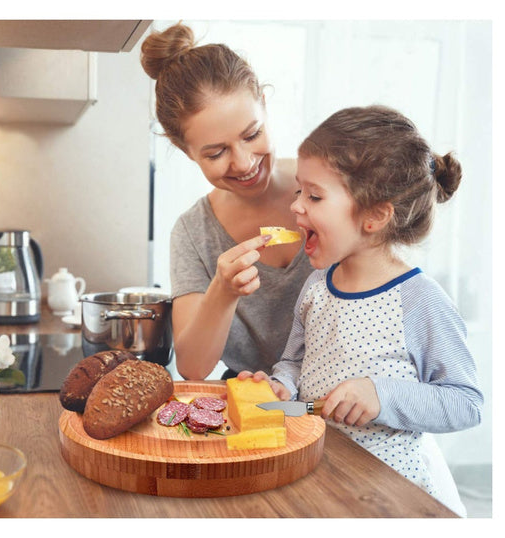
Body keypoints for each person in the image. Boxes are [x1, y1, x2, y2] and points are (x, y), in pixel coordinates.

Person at [240, 105, 483, 516]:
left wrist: (382, 394)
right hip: (326, 479)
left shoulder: (420, 300)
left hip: (392, 498)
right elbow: (296, 361)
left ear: (374, 216)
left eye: (315, 196)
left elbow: (465, 403)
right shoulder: (318, 285)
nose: (297, 206)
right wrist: (281, 386)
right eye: (300, 190)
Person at [140, 23, 314, 380]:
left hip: (348, 408)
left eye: (252, 134)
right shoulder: (193, 233)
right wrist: (223, 290)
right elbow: (192, 369)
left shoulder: (331, 188)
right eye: (216, 153)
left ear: (264, 105)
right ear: (184, 150)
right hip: (259, 409)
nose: (244, 163)